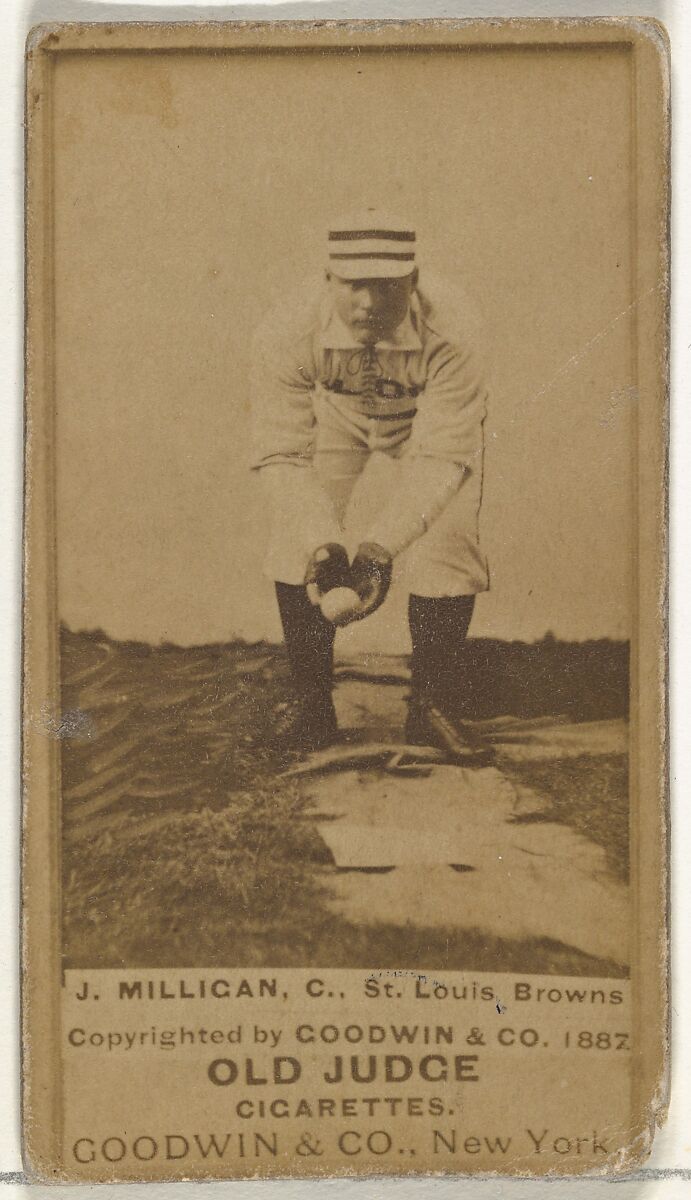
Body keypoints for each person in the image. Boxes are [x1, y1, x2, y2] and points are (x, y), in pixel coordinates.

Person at [250, 213, 490, 758]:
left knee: (450, 538)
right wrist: (323, 542)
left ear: (414, 279)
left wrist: (379, 549)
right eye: (353, 284)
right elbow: (283, 452)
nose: (368, 302)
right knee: (295, 544)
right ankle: (313, 710)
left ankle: (432, 709)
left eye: (386, 285)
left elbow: (445, 454)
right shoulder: (287, 327)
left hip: (424, 425)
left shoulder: (455, 324)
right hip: (339, 416)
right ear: (327, 279)